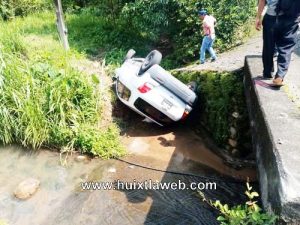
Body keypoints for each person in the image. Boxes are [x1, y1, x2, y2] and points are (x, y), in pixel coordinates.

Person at [272, 1, 300, 86]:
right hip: (292, 17)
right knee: (286, 46)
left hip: (279, 15)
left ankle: (271, 70)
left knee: (276, 42)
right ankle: (279, 76)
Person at [255, 0, 279, 79]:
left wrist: (258, 18)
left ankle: (268, 72)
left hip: (271, 18)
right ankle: (280, 75)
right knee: (284, 47)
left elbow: (262, 1)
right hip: (288, 18)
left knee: (268, 46)